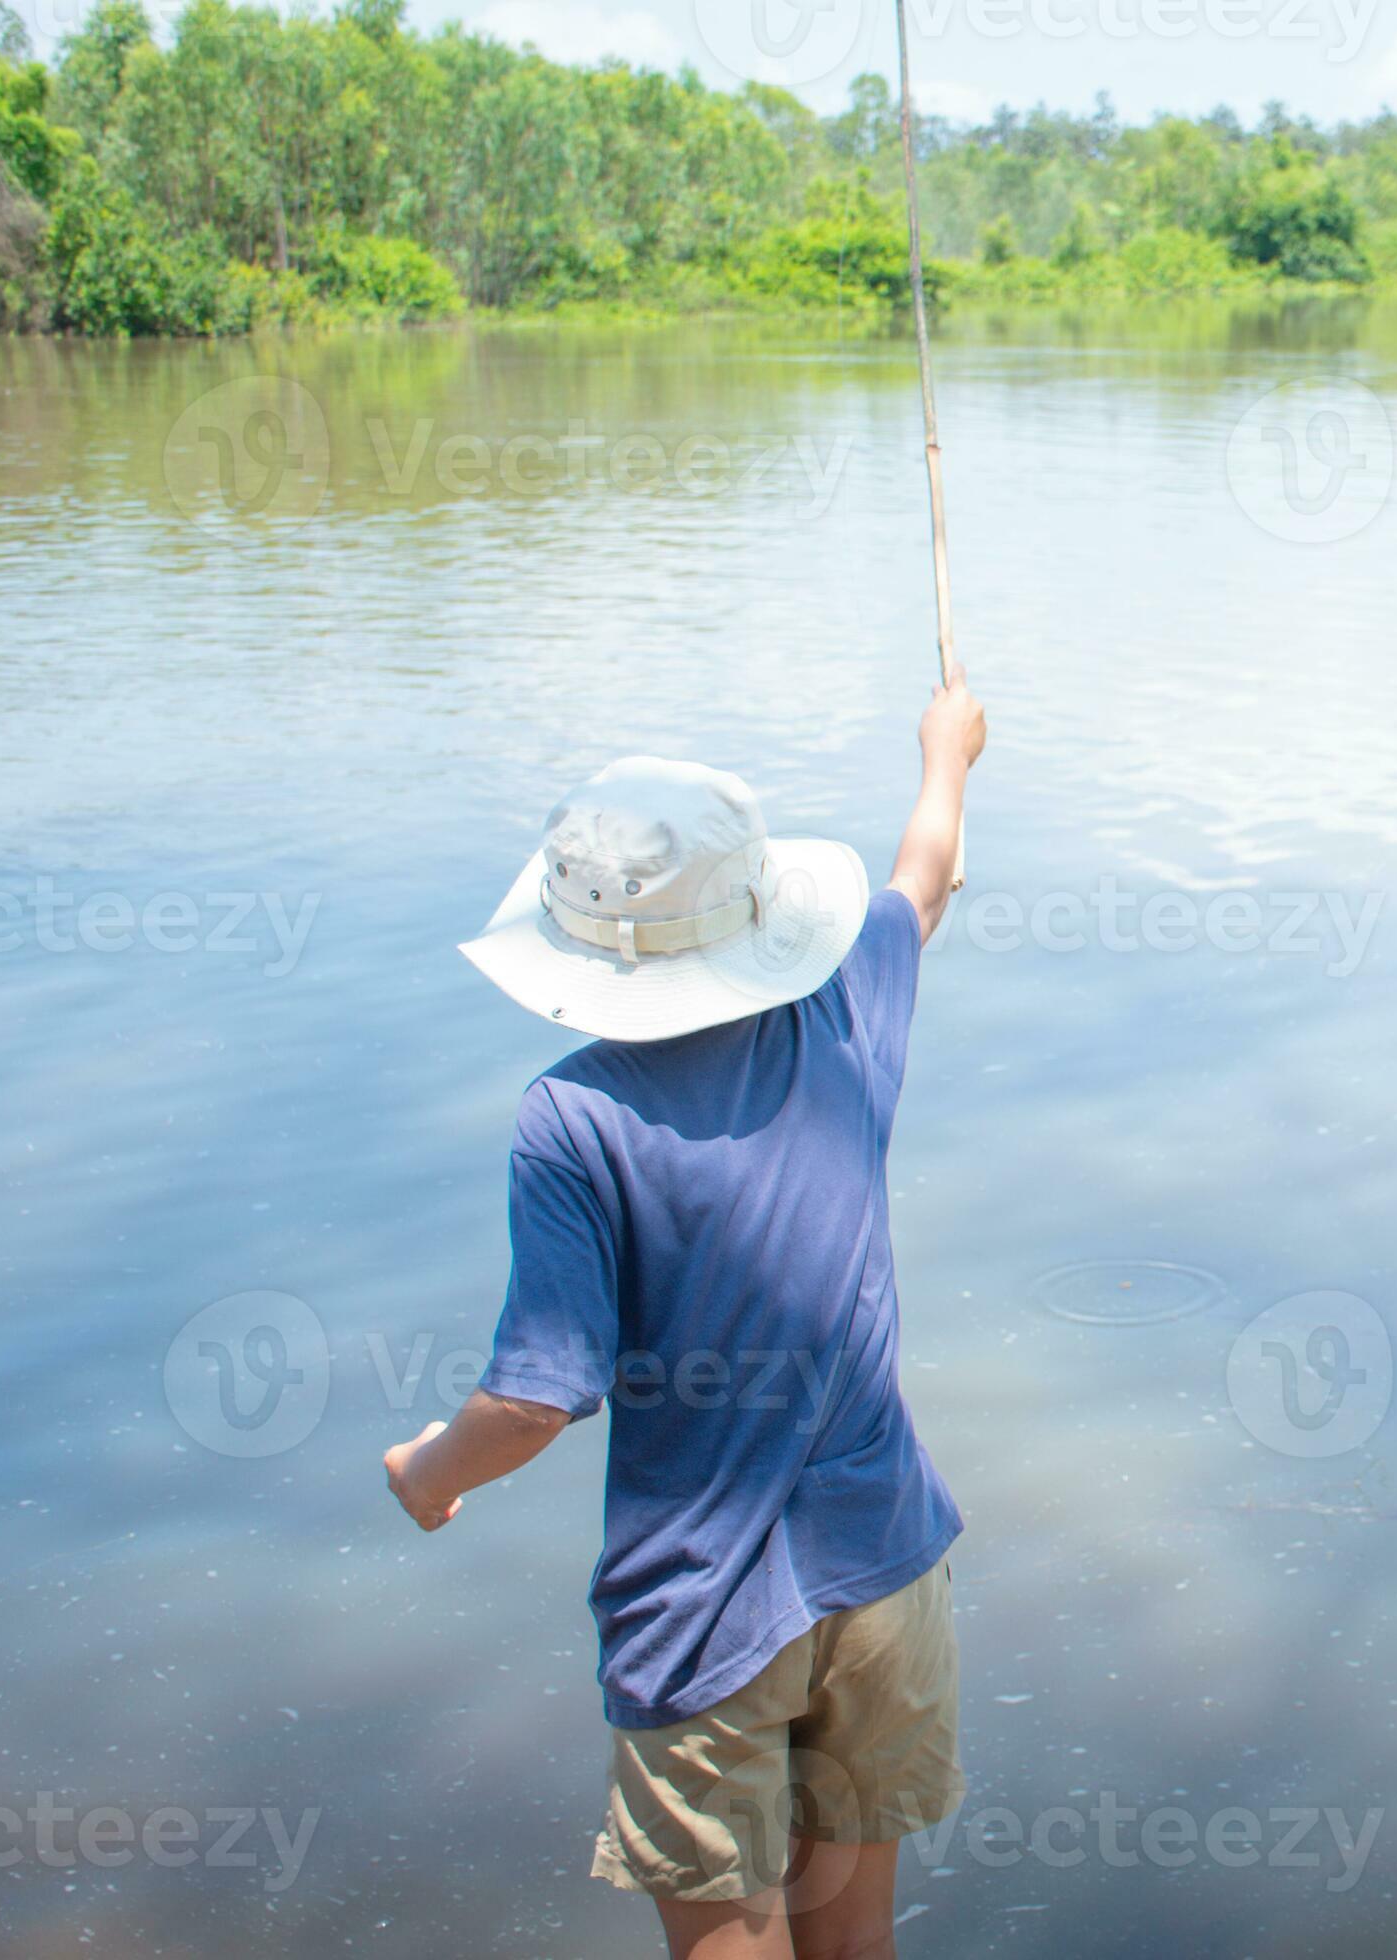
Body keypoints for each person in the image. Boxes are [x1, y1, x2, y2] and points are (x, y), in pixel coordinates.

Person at [384, 681, 988, 1960]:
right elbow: (923, 882)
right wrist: (948, 751)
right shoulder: (843, 1010)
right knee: (855, 1945)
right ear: (756, 910)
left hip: (704, 1602)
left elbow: (537, 1396)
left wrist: (429, 1471)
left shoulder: (573, 1120)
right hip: (881, 1565)